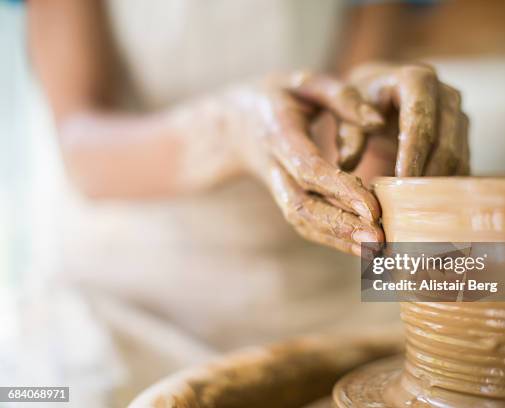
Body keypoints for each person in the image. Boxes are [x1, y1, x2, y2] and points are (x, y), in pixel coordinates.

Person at [26, 0, 467, 404]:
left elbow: (353, 151)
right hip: (129, 303)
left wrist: (384, 127)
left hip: (323, 301)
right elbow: (81, 149)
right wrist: (228, 129)